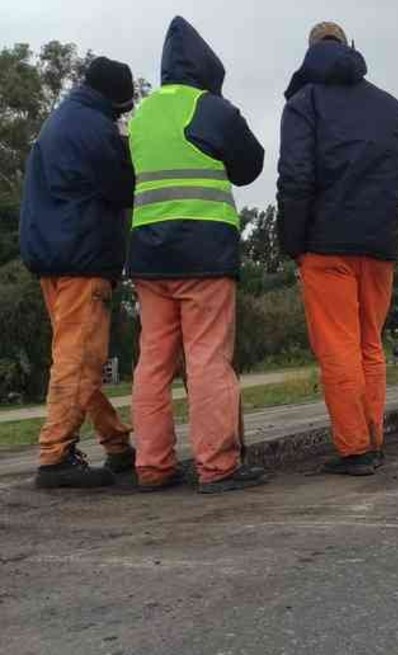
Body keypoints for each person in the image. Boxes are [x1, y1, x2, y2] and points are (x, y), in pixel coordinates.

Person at [277, 21, 398, 476]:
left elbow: (295, 177)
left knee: (338, 347)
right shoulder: (390, 107)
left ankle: (355, 449)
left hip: (325, 247)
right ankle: (373, 437)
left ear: (310, 52)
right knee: (369, 344)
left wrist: (292, 242)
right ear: (348, 48)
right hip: (379, 247)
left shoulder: (303, 104)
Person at [127, 17, 265, 494]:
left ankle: (152, 465)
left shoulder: (140, 115)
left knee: (153, 361)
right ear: (207, 68)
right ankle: (217, 465)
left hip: (148, 255)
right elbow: (250, 165)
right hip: (203, 253)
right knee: (207, 358)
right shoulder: (209, 108)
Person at [19, 57, 137, 489]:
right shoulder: (94, 128)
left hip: (53, 255)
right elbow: (123, 187)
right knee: (80, 360)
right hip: (83, 256)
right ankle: (55, 456)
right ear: (115, 99)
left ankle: (116, 443)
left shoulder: (62, 120)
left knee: (78, 356)